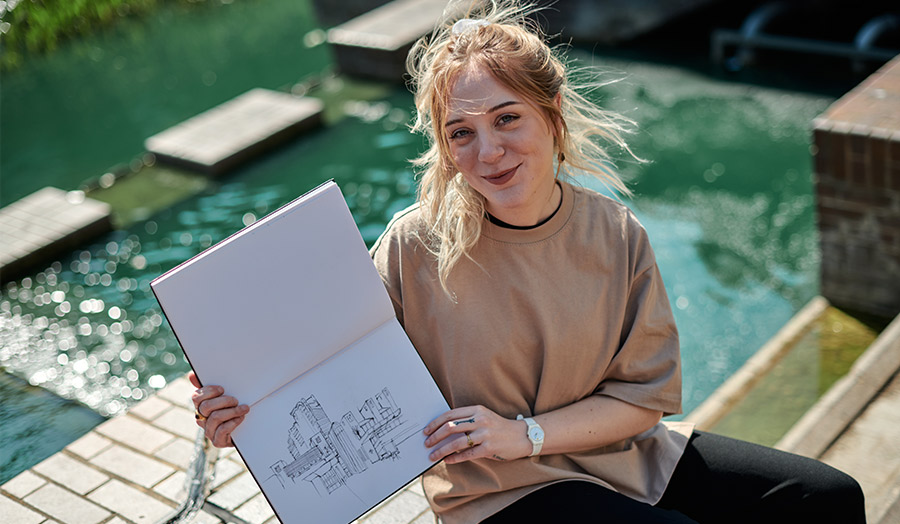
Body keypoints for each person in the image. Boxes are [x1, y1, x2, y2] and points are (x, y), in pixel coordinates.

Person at [190, 1, 866, 522]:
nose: (488, 152)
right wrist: (245, 417)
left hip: (620, 457)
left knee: (828, 498)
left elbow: (642, 403)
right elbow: (324, 372)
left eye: (507, 118)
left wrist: (527, 433)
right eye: (462, 132)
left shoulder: (616, 232)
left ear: (552, 114)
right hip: (497, 490)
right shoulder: (414, 247)